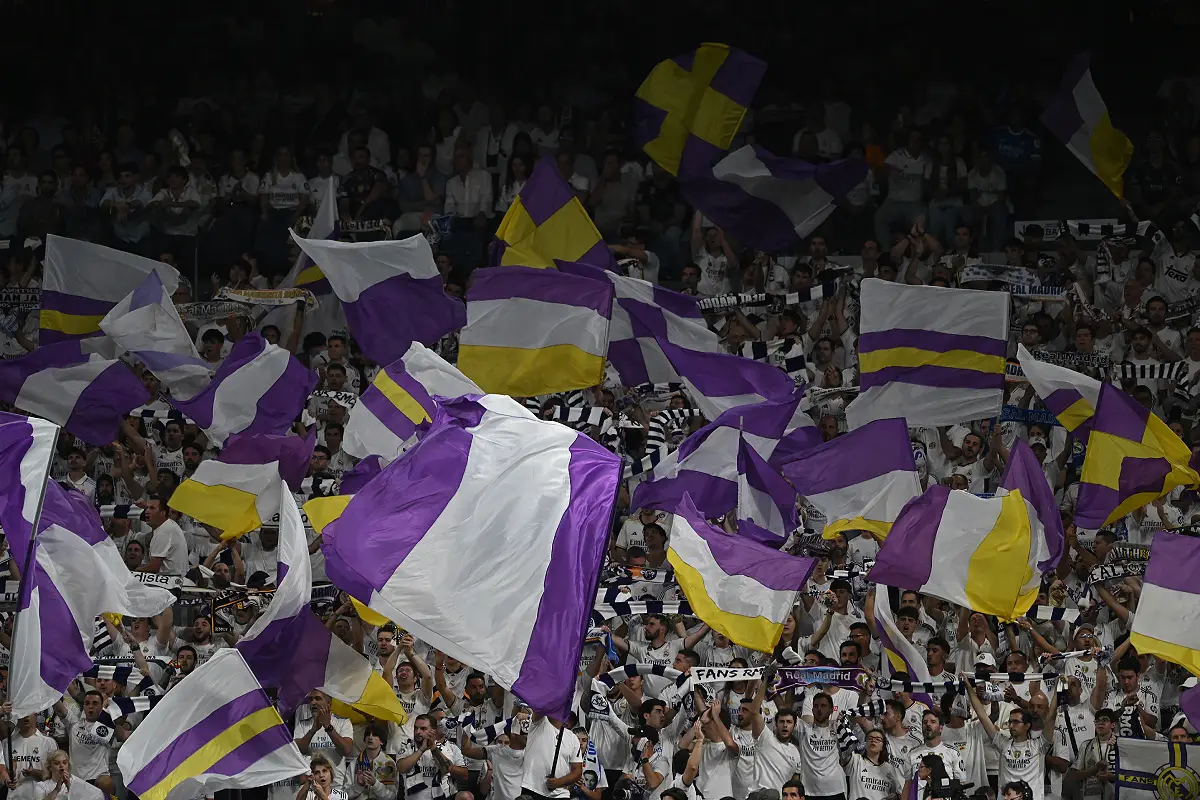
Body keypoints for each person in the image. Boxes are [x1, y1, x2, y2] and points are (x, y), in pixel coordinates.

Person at [520, 715, 583, 800]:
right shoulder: (539, 723)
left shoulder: (573, 738)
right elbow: (539, 710)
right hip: (532, 789)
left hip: (561, 794)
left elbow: (577, 772)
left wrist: (559, 782)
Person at [31, 751, 102, 800]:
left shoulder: (76, 783)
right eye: (57, 763)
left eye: (64, 763)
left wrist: (69, 786)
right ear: (50, 767)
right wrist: (56, 789)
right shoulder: (42, 786)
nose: (61, 766)